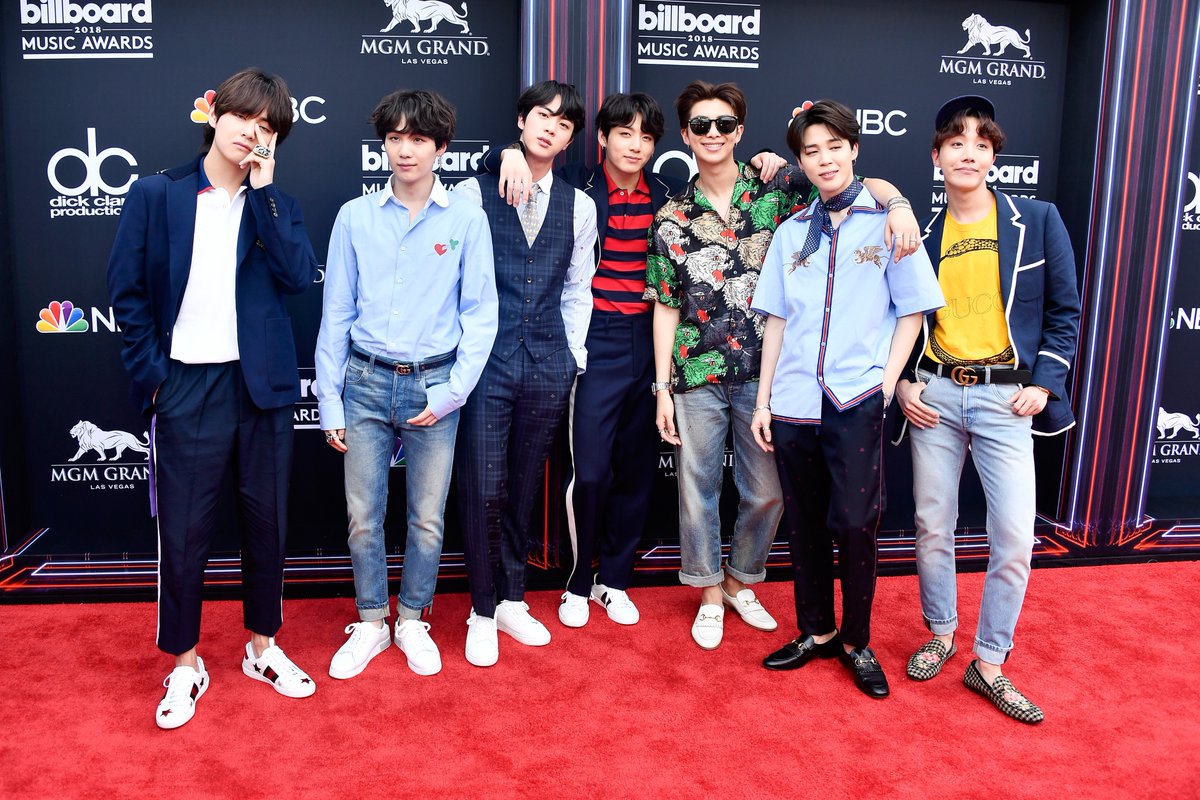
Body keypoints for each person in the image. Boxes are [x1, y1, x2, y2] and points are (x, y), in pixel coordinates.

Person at [482, 92, 788, 630]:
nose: (635, 145)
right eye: (624, 133)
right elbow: (517, 164)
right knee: (590, 473)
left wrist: (769, 157)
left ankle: (615, 581)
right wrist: (504, 153)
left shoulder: (670, 195)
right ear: (602, 138)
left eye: (646, 137)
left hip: (652, 340)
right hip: (593, 338)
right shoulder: (576, 184)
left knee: (638, 471)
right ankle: (579, 582)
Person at [646, 81, 922, 651]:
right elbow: (665, 304)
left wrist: (898, 203)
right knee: (696, 491)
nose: (714, 134)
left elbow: (852, 181)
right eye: (701, 125)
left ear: (741, 131)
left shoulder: (777, 188)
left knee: (769, 494)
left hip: (769, 377)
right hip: (695, 373)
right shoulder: (670, 216)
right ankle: (708, 594)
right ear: (686, 136)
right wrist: (662, 387)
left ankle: (740, 582)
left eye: (725, 124)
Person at [107, 68, 319, 729]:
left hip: (262, 389)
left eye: (268, 126)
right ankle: (185, 663)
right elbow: (127, 294)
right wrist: (156, 378)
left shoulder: (275, 203)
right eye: (243, 117)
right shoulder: (157, 193)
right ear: (215, 115)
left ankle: (262, 648)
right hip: (185, 386)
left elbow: (297, 276)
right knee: (184, 533)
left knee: (267, 526)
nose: (252, 133)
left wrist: (265, 192)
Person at [751, 100, 944, 698]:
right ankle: (816, 630)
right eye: (811, 151)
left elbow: (913, 311)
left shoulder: (889, 223)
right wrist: (763, 401)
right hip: (793, 402)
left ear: (855, 149)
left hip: (856, 397)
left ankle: (857, 642)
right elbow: (776, 320)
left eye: (835, 146)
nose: (825, 159)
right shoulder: (791, 233)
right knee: (804, 522)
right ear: (800, 162)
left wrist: (884, 384)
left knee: (857, 524)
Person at [896, 95, 1080, 722]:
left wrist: (1045, 384)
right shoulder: (920, 235)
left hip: (1007, 399)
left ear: (994, 156)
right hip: (936, 395)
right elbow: (898, 316)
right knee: (933, 525)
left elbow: (1064, 311)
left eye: (980, 142)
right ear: (937, 156)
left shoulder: (1039, 219)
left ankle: (990, 661)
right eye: (956, 142)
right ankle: (941, 632)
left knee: (1014, 537)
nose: (968, 152)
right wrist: (905, 384)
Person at [315, 90, 498, 679]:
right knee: (362, 516)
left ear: (441, 147)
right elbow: (335, 313)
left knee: (426, 518)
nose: (405, 150)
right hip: (364, 382)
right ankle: (372, 621)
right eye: (395, 138)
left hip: (435, 384)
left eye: (418, 139)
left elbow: (481, 313)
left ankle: (413, 618)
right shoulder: (355, 216)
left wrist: (452, 393)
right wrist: (329, 399)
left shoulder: (466, 219)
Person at [452, 80, 598, 666]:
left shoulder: (579, 206)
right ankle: (481, 609)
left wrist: (572, 358)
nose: (551, 128)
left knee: (522, 488)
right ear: (521, 121)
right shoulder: (471, 193)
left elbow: (577, 289)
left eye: (564, 124)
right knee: (482, 488)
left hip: (548, 363)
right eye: (542, 116)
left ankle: (513, 598)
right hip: (485, 364)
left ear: (569, 140)